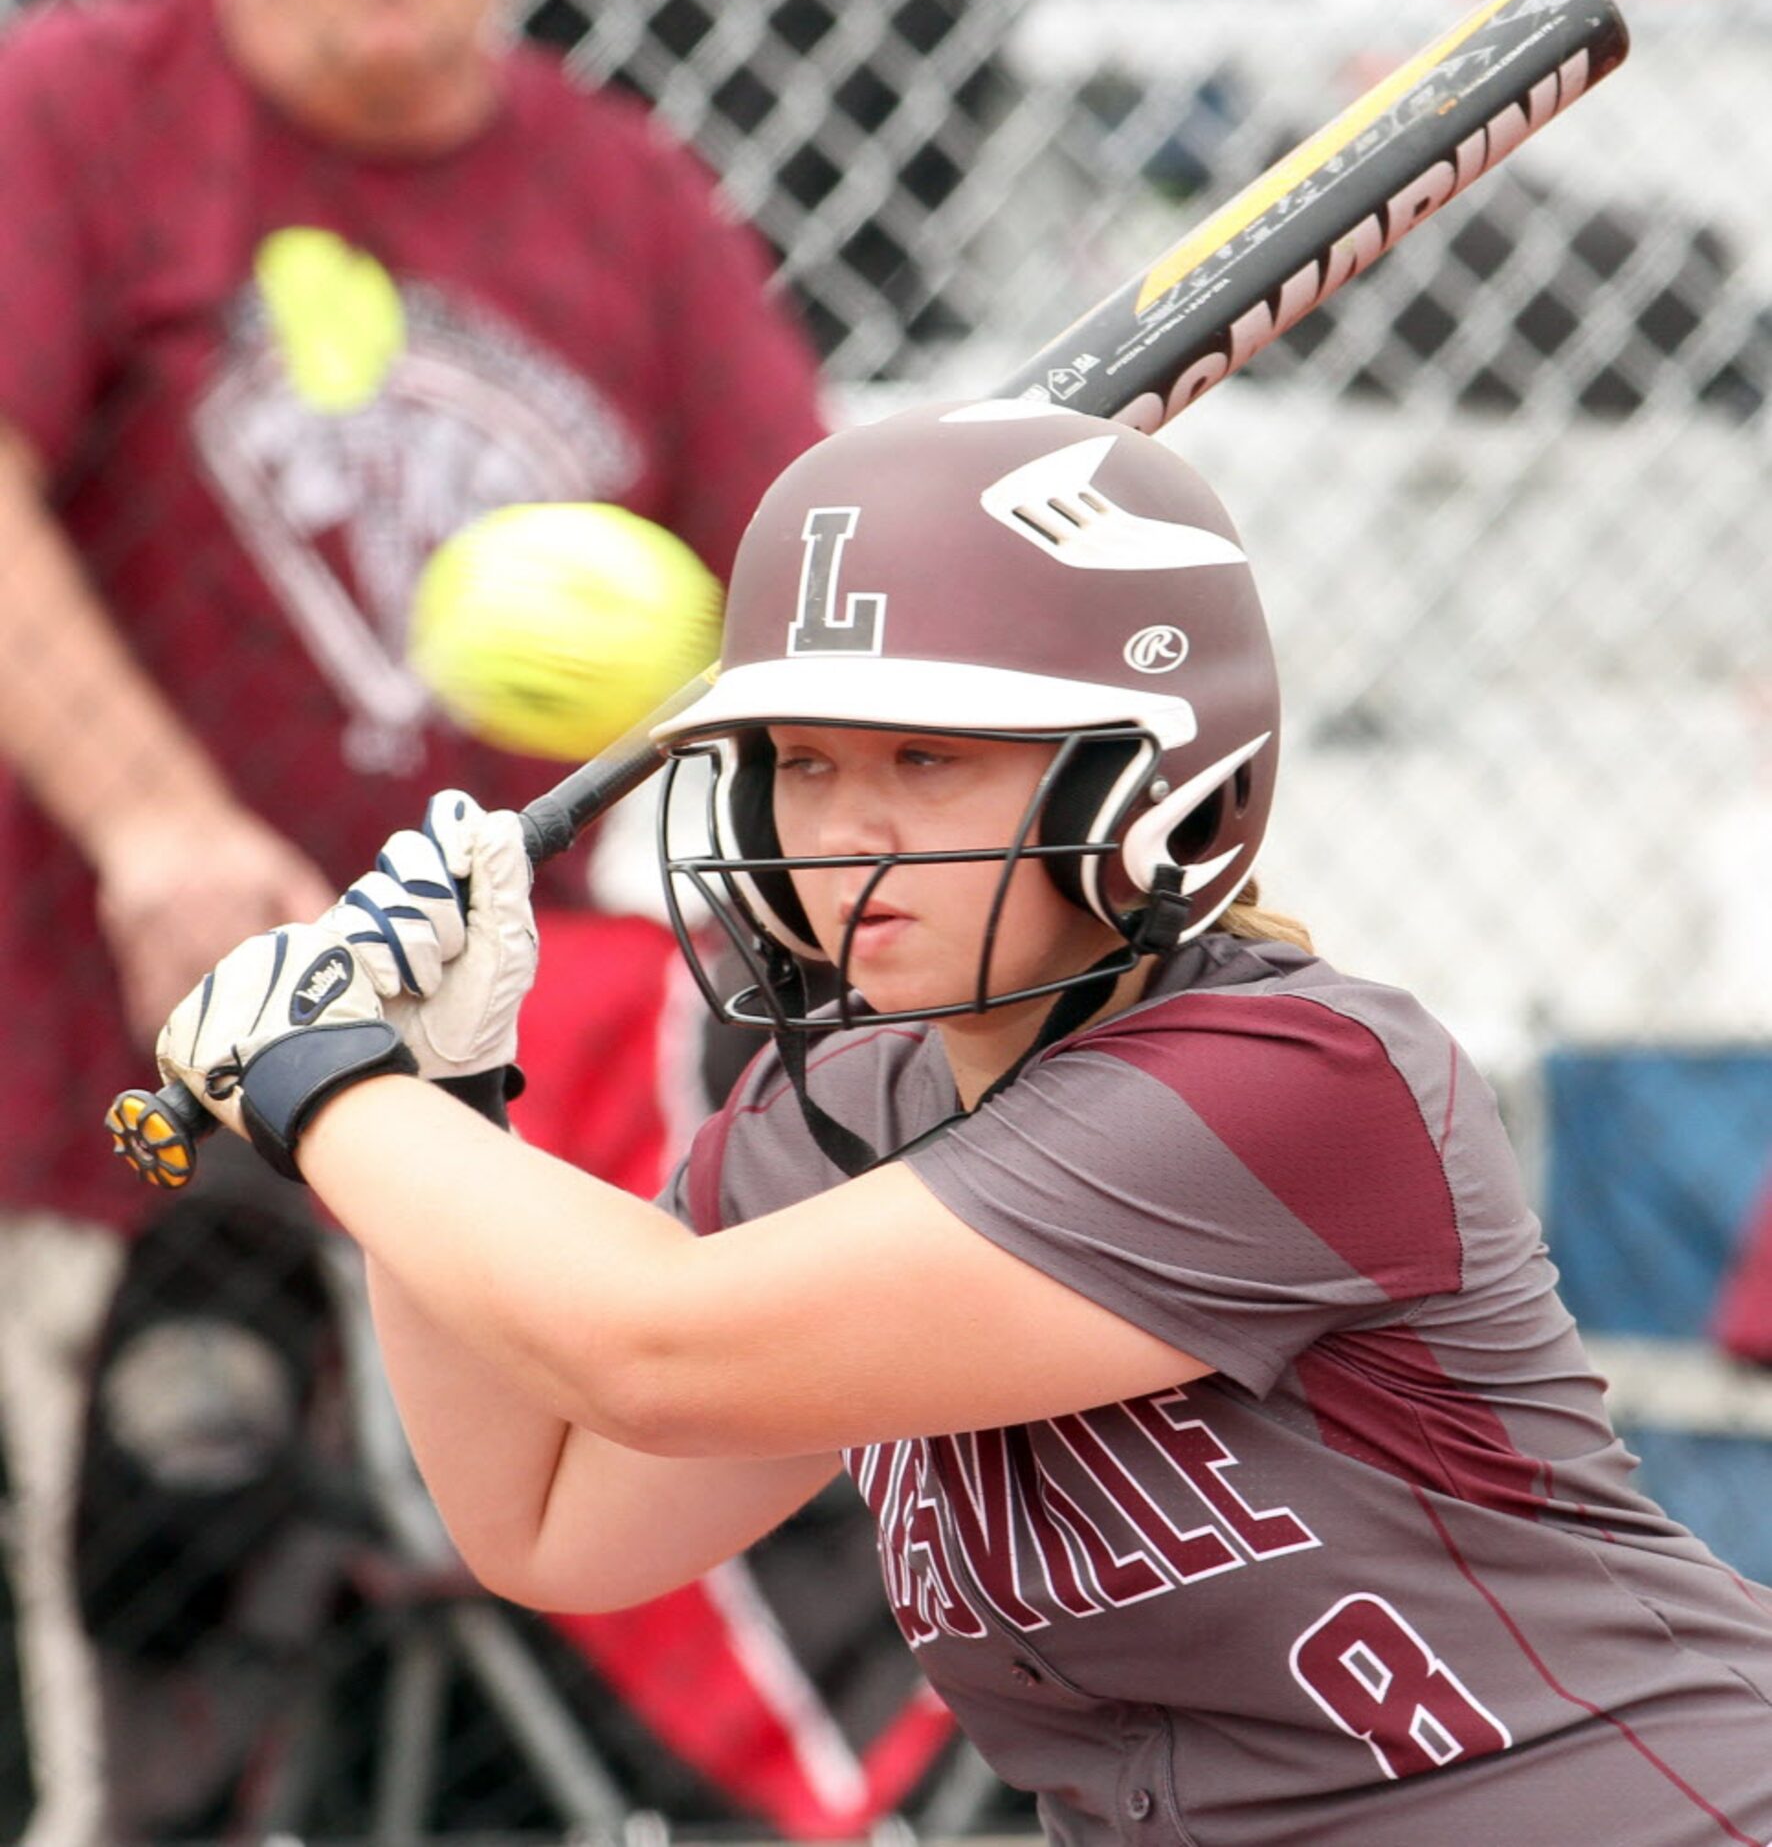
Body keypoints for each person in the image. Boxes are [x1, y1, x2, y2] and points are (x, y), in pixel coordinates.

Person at [151, 401, 1772, 1845]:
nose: (842, 836)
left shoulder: (1292, 1084)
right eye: (799, 760)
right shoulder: (835, 1111)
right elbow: (552, 1520)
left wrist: (329, 1088)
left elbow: (654, 1343)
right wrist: (439, 1095)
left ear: (1162, 785)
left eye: (928, 758)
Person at [0, 0, 824, 1837]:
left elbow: (807, 574)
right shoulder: (78, 112)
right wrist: (154, 825)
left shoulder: (625, 196)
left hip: (484, 1095)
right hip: (138, 1106)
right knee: (168, 1682)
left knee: (554, 1637)